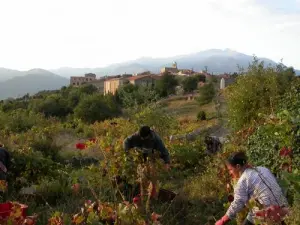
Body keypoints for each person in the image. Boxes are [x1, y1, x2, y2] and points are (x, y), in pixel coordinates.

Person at [215, 152, 289, 225]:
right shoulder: (263, 169)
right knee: (253, 214)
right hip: (285, 209)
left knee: (256, 213)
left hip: (269, 214)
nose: (230, 173)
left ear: (238, 166)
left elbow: (238, 203)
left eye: (230, 169)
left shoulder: (243, 180)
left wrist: (222, 220)